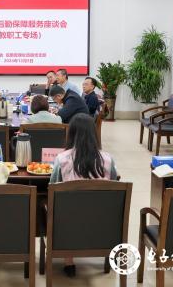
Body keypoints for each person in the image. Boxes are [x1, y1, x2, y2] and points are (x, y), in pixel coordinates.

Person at [49, 114, 118, 277]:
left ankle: (69, 261)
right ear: (94, 134)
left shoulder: (62, 159)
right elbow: (114, 187)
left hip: (68, 223)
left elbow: (53, 186)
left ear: (71, 134)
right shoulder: (108, 159)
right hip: (100, 220)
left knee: (57, 207)